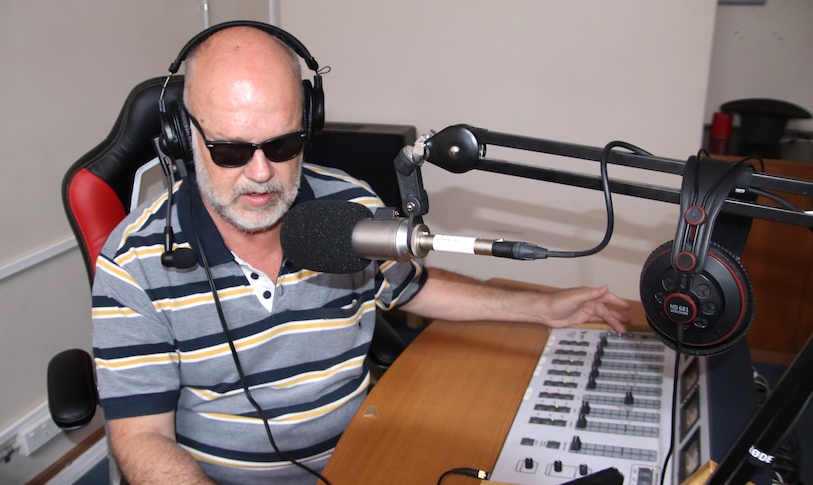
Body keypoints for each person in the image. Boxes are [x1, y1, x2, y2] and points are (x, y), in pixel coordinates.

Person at [91, 23, 631, 484]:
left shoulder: (349, 207)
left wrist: (539, 308)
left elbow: (416, 287)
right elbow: (141, 437)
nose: (260, 174)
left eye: (282, 145)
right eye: (231, 149)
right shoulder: (132, 262)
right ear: (184, 136)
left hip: (365, 458)